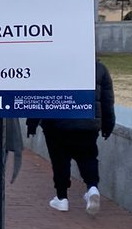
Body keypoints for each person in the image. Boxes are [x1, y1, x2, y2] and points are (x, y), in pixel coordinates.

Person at [26, 60, 115, 214]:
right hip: (87, 123)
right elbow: (107, 100)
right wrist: (108, 125)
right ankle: (92, 187)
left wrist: (32, 122)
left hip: (56, 122)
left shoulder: (53, 66)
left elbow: (41, 93)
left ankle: (62, 198)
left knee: (60, 160)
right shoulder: (99, 68)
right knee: (88, 157)